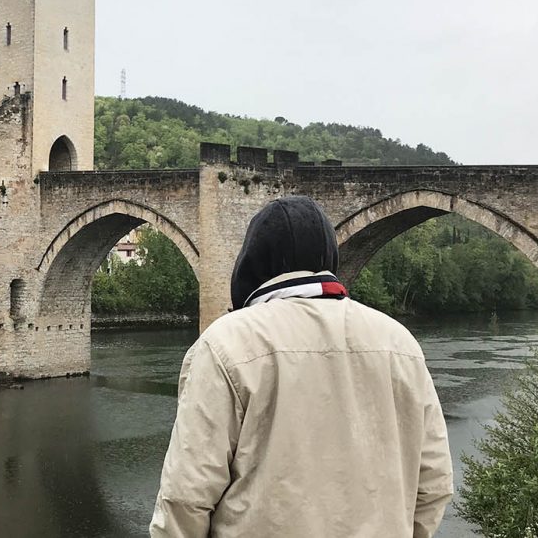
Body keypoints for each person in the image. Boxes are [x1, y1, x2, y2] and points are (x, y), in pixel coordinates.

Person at [150, 196, 453, 537]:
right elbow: (434, 484)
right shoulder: (400, 343)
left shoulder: (226, 344)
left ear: (252, 263)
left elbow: (185, 498)